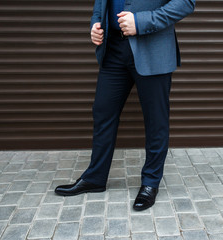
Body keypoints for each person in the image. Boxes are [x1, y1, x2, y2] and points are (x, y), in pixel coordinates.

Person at [55, 0, 196, 211]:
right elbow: (101, 4)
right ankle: (95, 178)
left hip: (152, 48)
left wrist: (140, 21)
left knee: (155, 119)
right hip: (112, 49)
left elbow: (185, 3)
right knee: (103, 113)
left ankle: (150, 183)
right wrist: (95, 24)